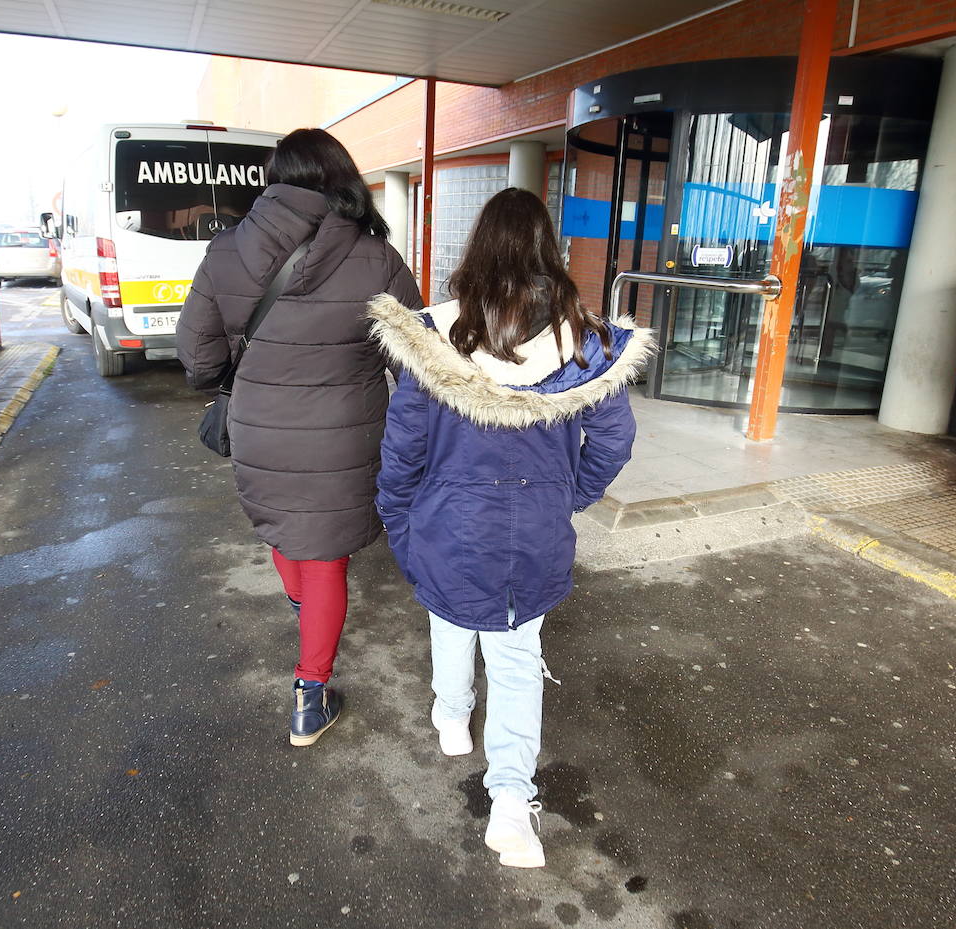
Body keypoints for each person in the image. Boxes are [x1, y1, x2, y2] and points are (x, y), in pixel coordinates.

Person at [367, 188, 651, 869]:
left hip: (446, 527)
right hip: (534, 537)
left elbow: (402, 451)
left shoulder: (431, 341)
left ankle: (450, 716)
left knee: (449, 617)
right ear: (547, 254)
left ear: (477, 252)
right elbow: (612, 445)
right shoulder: (586, 348)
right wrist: (565, 495)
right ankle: (511, 809)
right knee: (517, 659)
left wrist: (397, 517)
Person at [176, 128, 422, 747]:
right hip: (345, 439)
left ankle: (304, 609)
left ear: (274, 179)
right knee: (325, 558)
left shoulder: (224, 252)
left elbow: (198, 361)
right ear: (341, 176)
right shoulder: (378, 258)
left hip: (260, 432)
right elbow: (416, 363)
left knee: (287, 532)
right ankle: (310, 698)